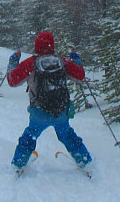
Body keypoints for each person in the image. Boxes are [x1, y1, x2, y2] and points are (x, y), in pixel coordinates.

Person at [6, 30, 92, 170]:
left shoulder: (31, 64)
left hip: (39, 112)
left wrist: (13, 63)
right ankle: (84, 160)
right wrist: (76, 61)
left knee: (29, 136)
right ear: (52, 45)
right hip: (60, 111)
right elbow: (80, 76)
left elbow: (12, 81)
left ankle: (18, 164)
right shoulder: (62, 61)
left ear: (36, 46)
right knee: (68, 135)